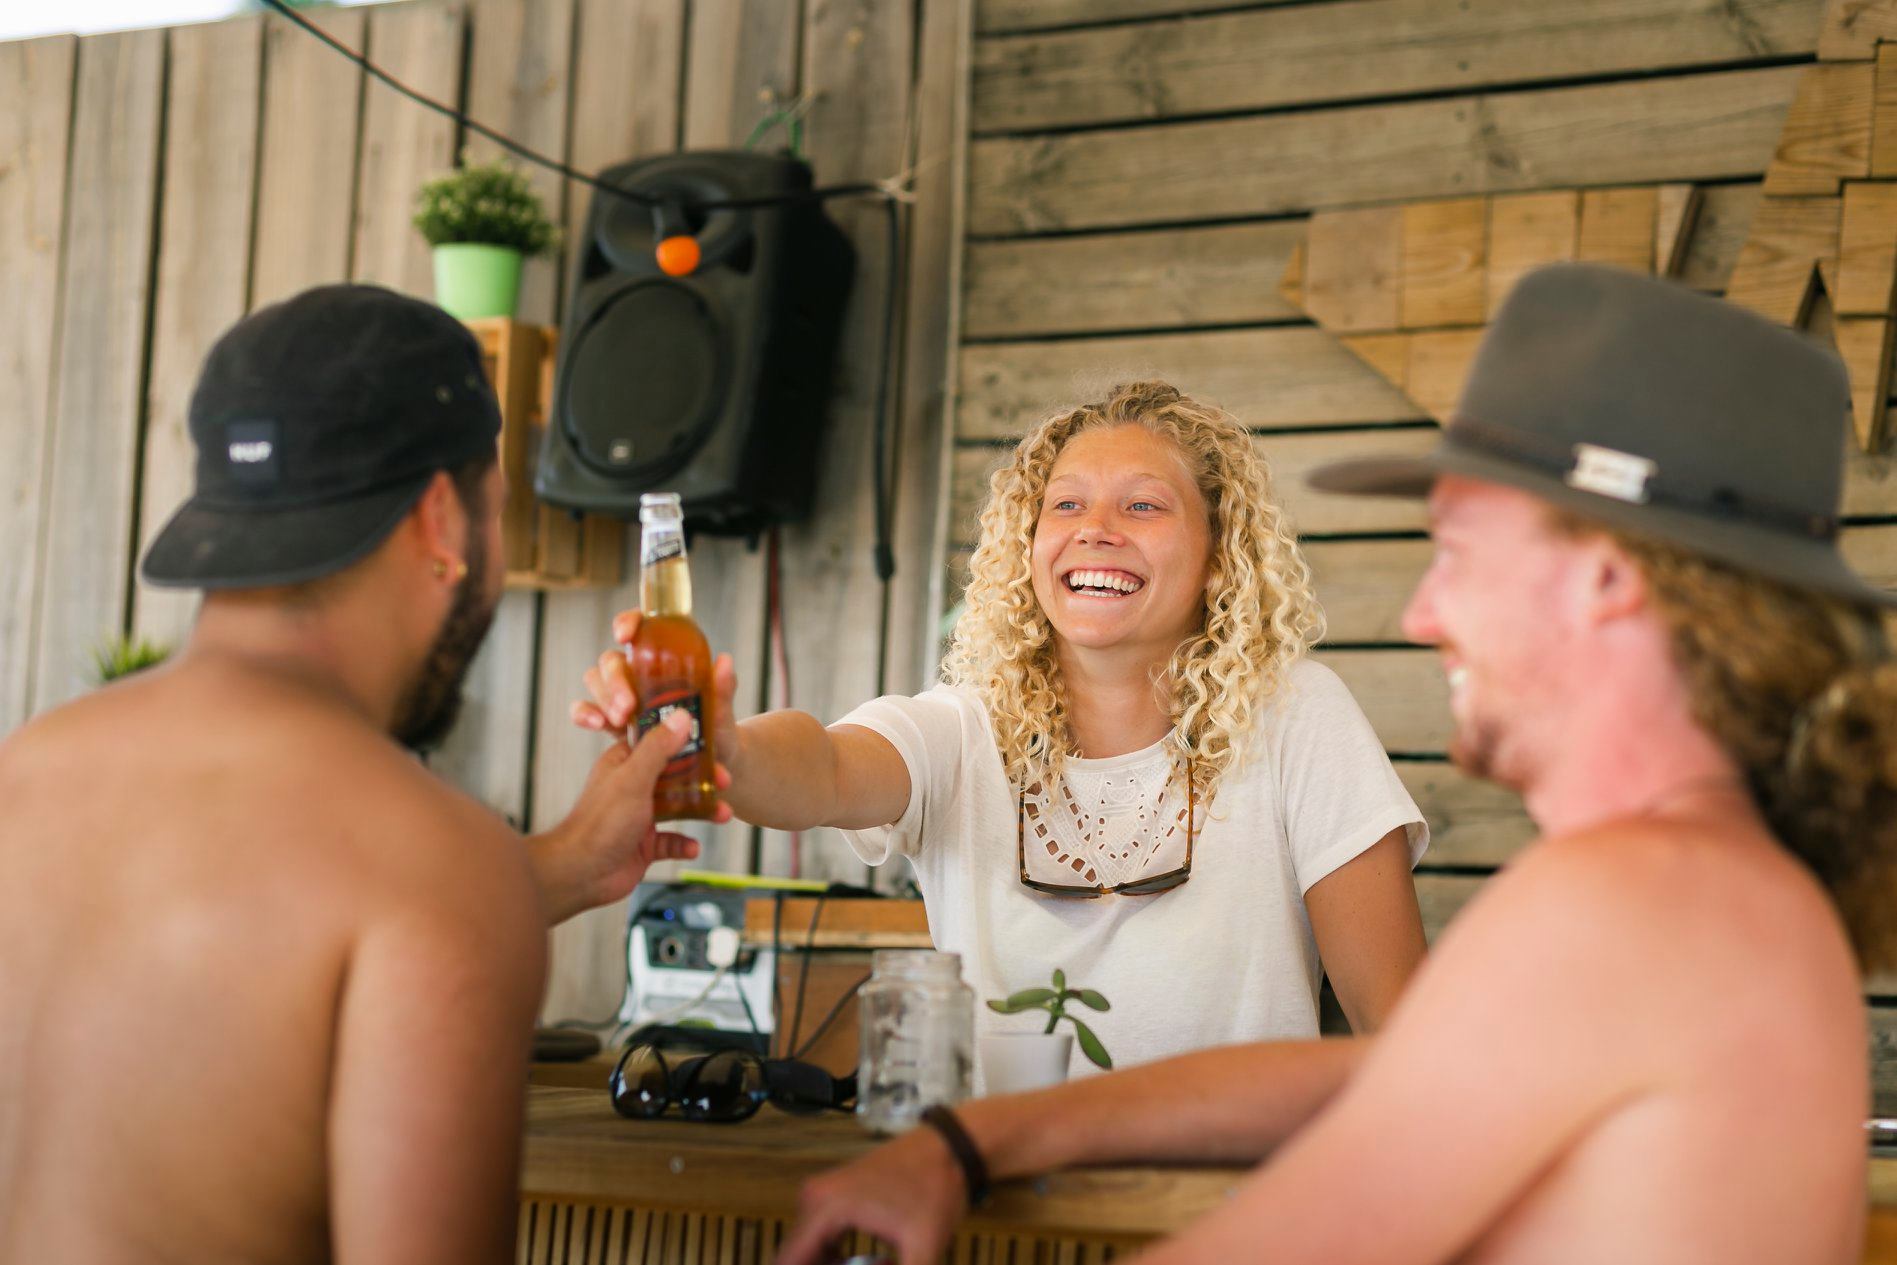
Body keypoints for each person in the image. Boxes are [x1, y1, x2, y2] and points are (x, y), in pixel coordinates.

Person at [775, 264, 1897, 1265]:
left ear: (1604, 580)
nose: (1422, 613)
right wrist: (978, 1140)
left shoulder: (1619, 903)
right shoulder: (1727, 886)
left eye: (1456, 551)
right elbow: (1398, 1076)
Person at [0, 286, 717, 1265]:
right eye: (498, 511)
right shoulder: (432, 868)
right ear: (441, 520)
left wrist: (557, 865)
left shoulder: (26, 772)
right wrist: (489, 888)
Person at [576, 381, 1430, 1073]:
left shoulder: (1295, 716)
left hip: (1227, 1204)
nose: (1095, 529)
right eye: (1065, 504)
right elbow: (825, 767)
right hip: (995, 1194)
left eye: (1143, 506)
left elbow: (1395, 1024)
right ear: (1028, 545)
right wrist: (723, 741)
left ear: (1219, 554)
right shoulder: (962, 728)